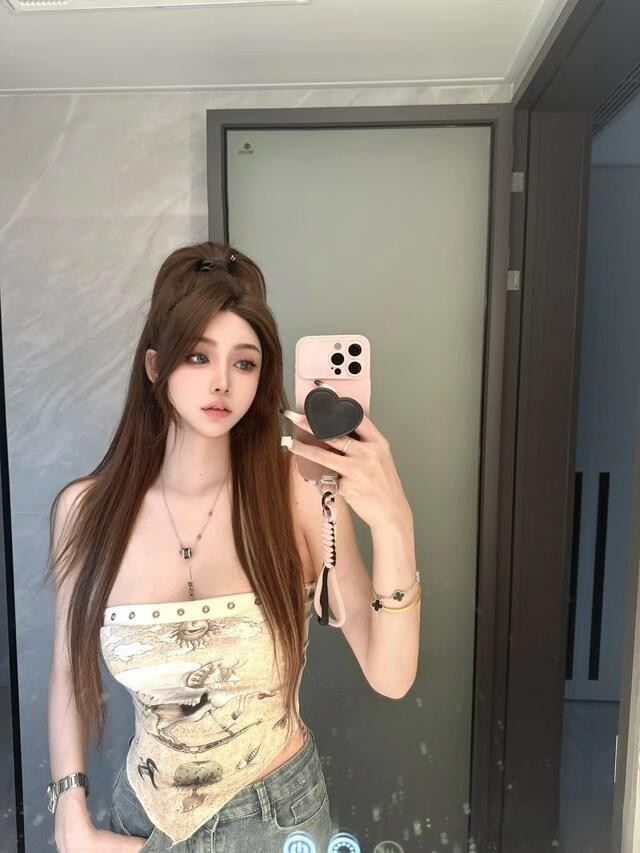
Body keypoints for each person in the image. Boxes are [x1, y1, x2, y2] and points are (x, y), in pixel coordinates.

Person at [44, 240, 420, 852]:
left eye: (244, 364)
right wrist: (69, 807)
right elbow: (67, 667)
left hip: (276, 820)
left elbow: (391, 675)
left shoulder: (297, 490)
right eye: (198, 356)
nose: (221, 382)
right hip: (141, 819)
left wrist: (395, 523)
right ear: (154, 366)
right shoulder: (86, 511)